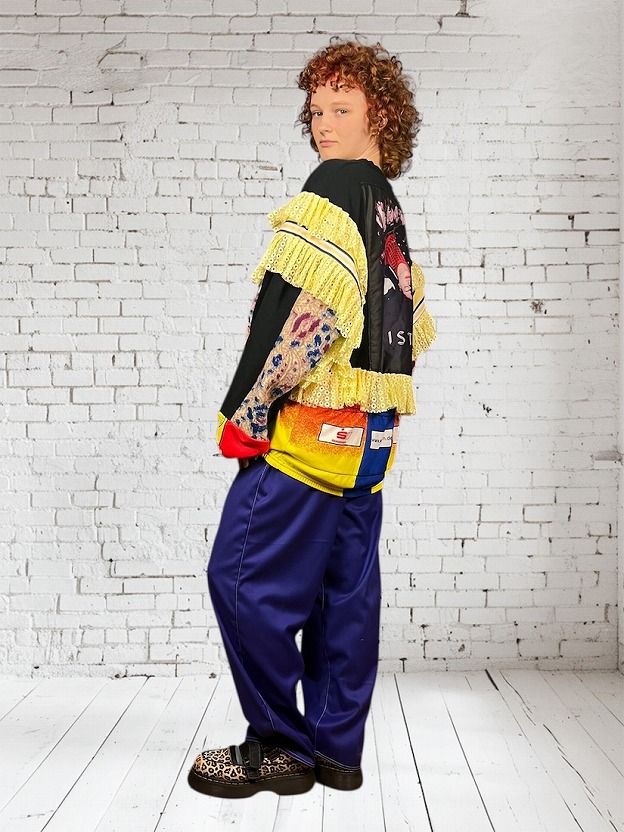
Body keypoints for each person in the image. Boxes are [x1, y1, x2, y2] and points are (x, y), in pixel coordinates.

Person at [187, 38, 436, 800]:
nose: (323, 124)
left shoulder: (336, 186)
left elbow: (312, 312)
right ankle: (335, 750)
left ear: (380, 114)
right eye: (316, 110)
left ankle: (279, 748)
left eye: (341, 107)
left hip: (310, 439)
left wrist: (252, 405)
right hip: (370, 443)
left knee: (240, 579)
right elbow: (406, 324)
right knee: (343, 599)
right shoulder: (387, 206)